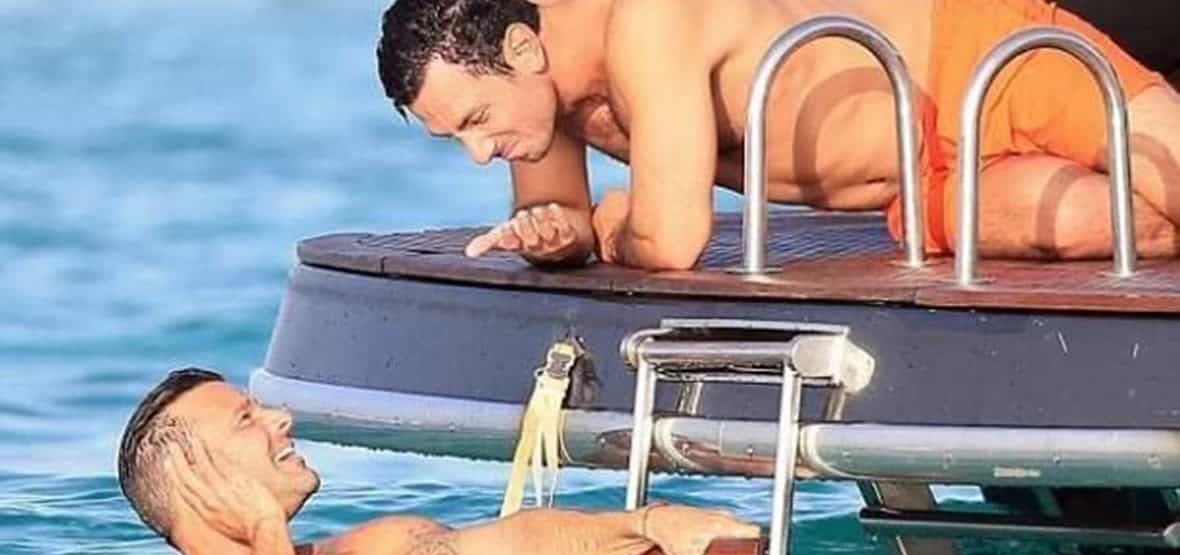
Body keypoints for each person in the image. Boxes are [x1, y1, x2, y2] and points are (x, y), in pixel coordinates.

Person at [376, 0, 1180, 271]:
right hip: (921, 193)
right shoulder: (537, 106)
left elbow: (670, 241)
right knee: (1115, 224)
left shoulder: (646, 23)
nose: (479, 153)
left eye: (476, 122)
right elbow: (571, 224)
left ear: (522, 48)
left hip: (972, 55)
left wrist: (621, 227)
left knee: (1170, 174)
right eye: (456, 140)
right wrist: (559, 234)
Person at [101, 368, 758, 555]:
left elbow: (503, 552)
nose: (282, 418)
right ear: (192, 476)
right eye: (247, 418)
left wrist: (649, 523)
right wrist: (267, 525)